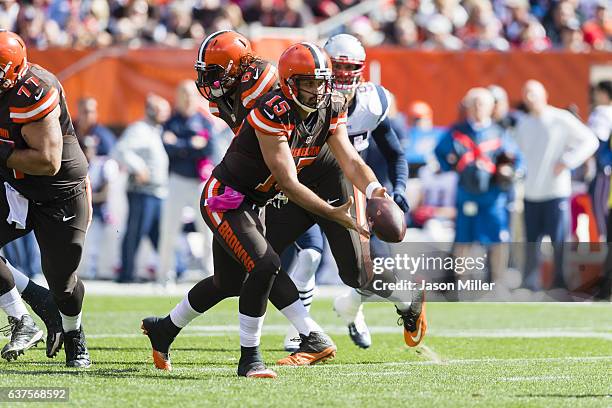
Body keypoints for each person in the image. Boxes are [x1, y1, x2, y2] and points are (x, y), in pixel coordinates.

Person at [281, 33, 414, 351]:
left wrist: (398, 188)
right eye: (336, 68)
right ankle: (301, 329)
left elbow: (395, 152)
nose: (341, 77)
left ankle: (352, 308)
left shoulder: (371, 104)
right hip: (306, 186)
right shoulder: (303, 99)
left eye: (348, 69)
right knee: (310, 255)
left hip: (352, 189)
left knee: (374, 269)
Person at [0, 31, 90, 367]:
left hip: (60, 193)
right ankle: (23, 319)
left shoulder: (34, 91)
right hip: (15, 188)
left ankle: (74, 335)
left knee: (62, 282)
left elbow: (47, 161)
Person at [514, 80, 598, 290]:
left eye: (533, 93)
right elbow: (518, 154)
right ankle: (530, 283)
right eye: (526, 93)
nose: (530, 97)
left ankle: (560, 283)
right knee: (531, 243)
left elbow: (590, 140)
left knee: (558, 241)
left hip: (555, 192)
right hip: (531, 193)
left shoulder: (561, 119)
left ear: (545, 94)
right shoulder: (523, 123)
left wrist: (568, 161)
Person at [435, 88, 518, 286]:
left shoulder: (500, 132)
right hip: (467, 194)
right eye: (474, 104)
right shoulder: (457, 131)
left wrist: (509, 171)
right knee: (463, 238)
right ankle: (461, 284)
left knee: (498, 237)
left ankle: (498, 282)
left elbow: (516, 159)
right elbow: (440, 151)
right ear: (468, 107)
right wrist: (451, 165)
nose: (478, 108)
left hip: (493, 196)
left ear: (491, 107)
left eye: (482, 104)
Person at [156, 81, 218, 285]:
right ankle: (165, 275)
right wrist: (191, 145)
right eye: (183, 94)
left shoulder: (204, 120)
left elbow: (209, 148)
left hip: (199, 182)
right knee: (169, 229)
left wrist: (180, 145)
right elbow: (167, 147)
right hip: (177, 179)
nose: (187, 98)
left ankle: (211, 274)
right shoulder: (171, 121)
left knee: (208, 230)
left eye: (190, 94)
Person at [112, 94, 170, 283]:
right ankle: (126, 274)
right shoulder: (139, 129)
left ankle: (171, 271)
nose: (163, 113)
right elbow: (120, 150)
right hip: (142, 191)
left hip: (158, 192)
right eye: (159, 109)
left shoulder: (157, 130)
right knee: (135, 233)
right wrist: (138, 167)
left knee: (158, 234)